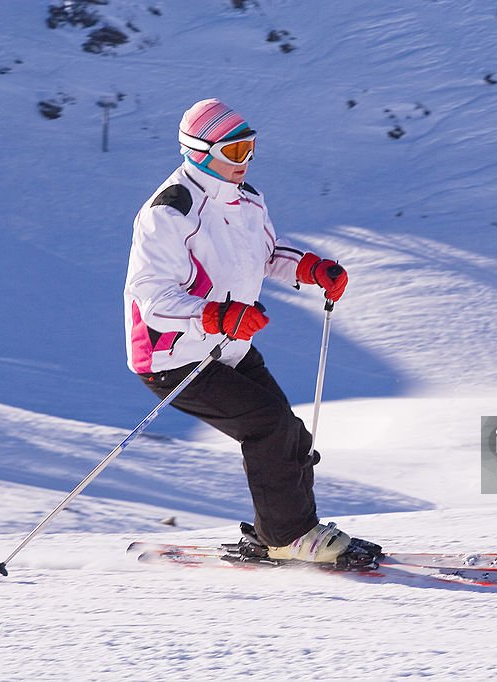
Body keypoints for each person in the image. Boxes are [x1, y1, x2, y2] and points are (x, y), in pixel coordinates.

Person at [124, 98, 375, 566]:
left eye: (250, 149)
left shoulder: (248, 201)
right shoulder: (169, 212)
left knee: (290, 433)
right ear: (200, 153)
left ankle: (286, 531)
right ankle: (289, 535)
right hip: (173, 356)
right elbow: (151, 298)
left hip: (227, 347)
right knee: (268, 426)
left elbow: (263, 255)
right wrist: (218, 316)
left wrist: (309, 268)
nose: (246, 161)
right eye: (235, 152)